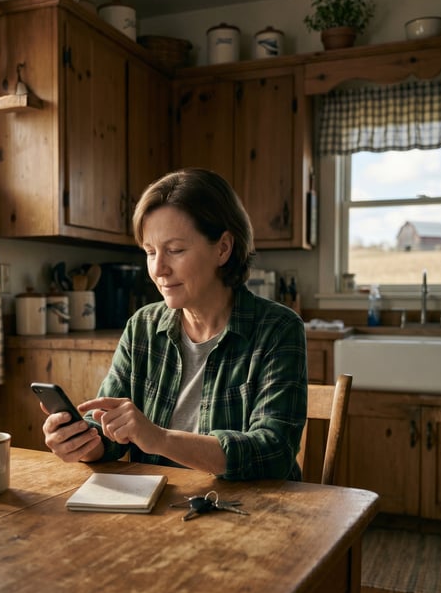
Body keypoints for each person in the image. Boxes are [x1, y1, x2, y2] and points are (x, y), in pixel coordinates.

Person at [42, 168, 307, 480]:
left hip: (251, 514)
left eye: (175, 250)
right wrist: (80, 442)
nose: (158, 269)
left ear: (223, 248)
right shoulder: (142, 326)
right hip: (160, 508)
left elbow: (272, 452)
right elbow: (108, 436)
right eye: (150, 252)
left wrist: (158, 438)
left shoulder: (277, 329)